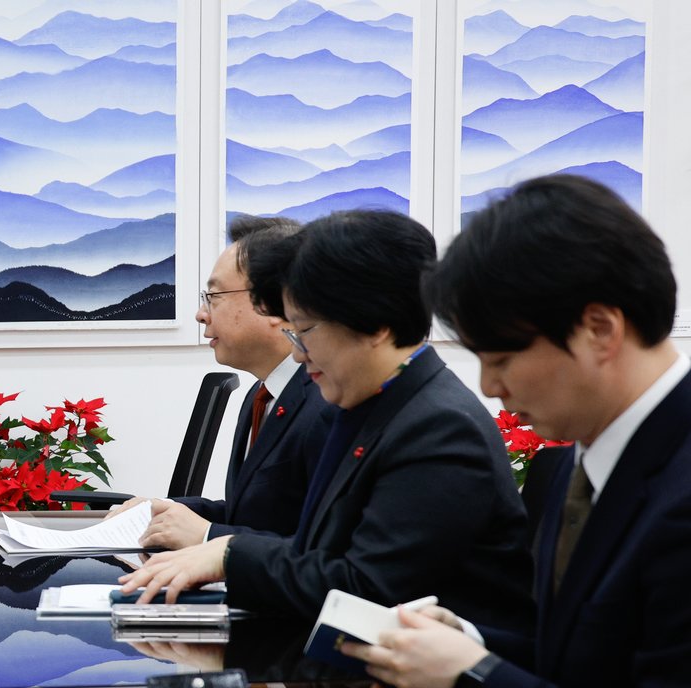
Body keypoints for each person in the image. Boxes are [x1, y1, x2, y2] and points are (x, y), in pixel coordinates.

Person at [345, 175, 691, 688]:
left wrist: (473, 676)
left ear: (599, 329)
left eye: (501, 359)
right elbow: (592, 662)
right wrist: (467, 641)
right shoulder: (574, 462)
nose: (489, 387)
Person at [119, 209, 533, 630]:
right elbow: (315, 549)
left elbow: (367, 589)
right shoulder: (376, 406)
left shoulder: (438, 427)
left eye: (306, 330)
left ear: (375, 325)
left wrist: (227, 552)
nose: (298, 354)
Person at [121, 215, 334, 549]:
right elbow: (251, 514)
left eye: (214, 296)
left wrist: (208, 536)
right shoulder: (262, 394)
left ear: (274, 303)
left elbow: (323, 550)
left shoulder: (328, 403)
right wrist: (165, 509)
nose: (201, 314)